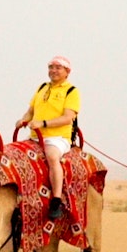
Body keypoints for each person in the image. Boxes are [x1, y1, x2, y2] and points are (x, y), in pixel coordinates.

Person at [15, 55, 81, 220]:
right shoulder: (42, 87)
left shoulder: (71, 91)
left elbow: (67, 118)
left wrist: (43, 123)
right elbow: (31, 112)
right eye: (51, 67)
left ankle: (56, 201)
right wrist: (23, 119)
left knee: (52, 157)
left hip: (57, 137)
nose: (53, 71)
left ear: (67, 72)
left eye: (58, 68)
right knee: (15, 154)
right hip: (35, 136)